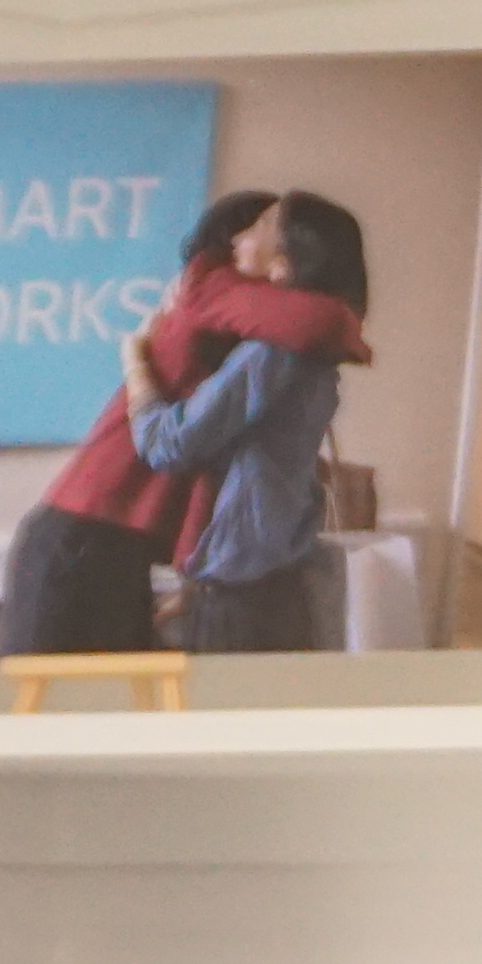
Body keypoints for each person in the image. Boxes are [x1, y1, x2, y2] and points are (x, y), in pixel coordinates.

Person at [0, 189, 362, 658]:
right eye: (250, 228)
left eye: (264, 228)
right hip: (83, 535)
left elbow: (230, 475)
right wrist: (134, 363)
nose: (243, 241)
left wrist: (196, 578)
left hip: (123, 546)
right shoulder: (220, 290)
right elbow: (327, 321)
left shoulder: (258, 334)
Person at [128, 183, 370, 655]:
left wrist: (134, 362)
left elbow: (168, 443)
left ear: (286, 261)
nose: (239, 238)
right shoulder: (313, 347)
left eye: (261, 226)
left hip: (244, 595)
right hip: (276, 579)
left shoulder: (272, 352)